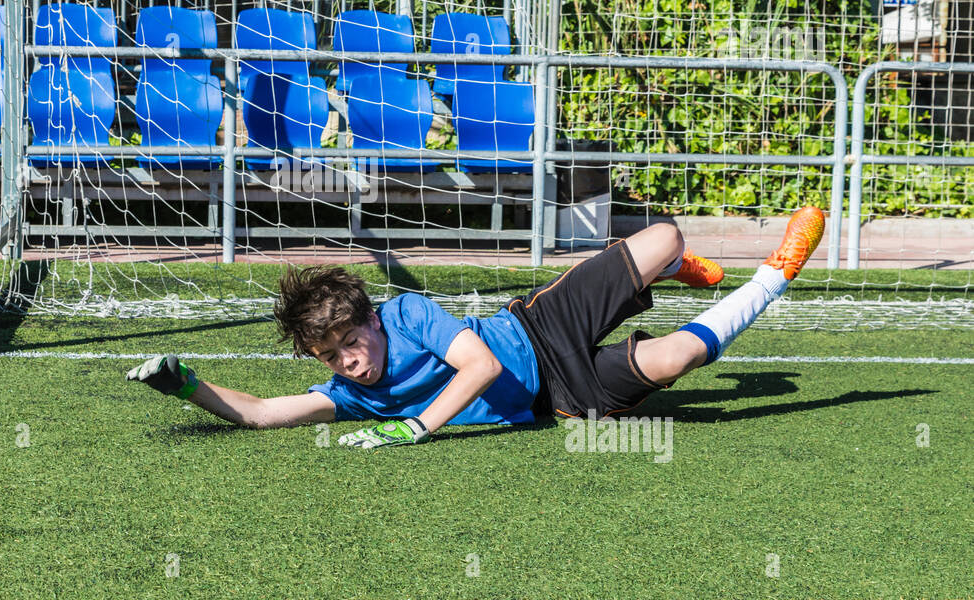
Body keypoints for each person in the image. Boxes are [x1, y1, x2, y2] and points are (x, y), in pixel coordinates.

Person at [126, 207, 825, 448]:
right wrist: (184, 382)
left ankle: (664, 269)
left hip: (538, 322)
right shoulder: (356, 393)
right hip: (560, 394)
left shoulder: (405, 312)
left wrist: (418, 426)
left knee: (665, 236)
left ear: (372, 318)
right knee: (673, 358)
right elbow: (262, 411)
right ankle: (777, 272)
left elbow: (481, 365)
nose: (349, 362)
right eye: (332, 357)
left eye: (352, 343)